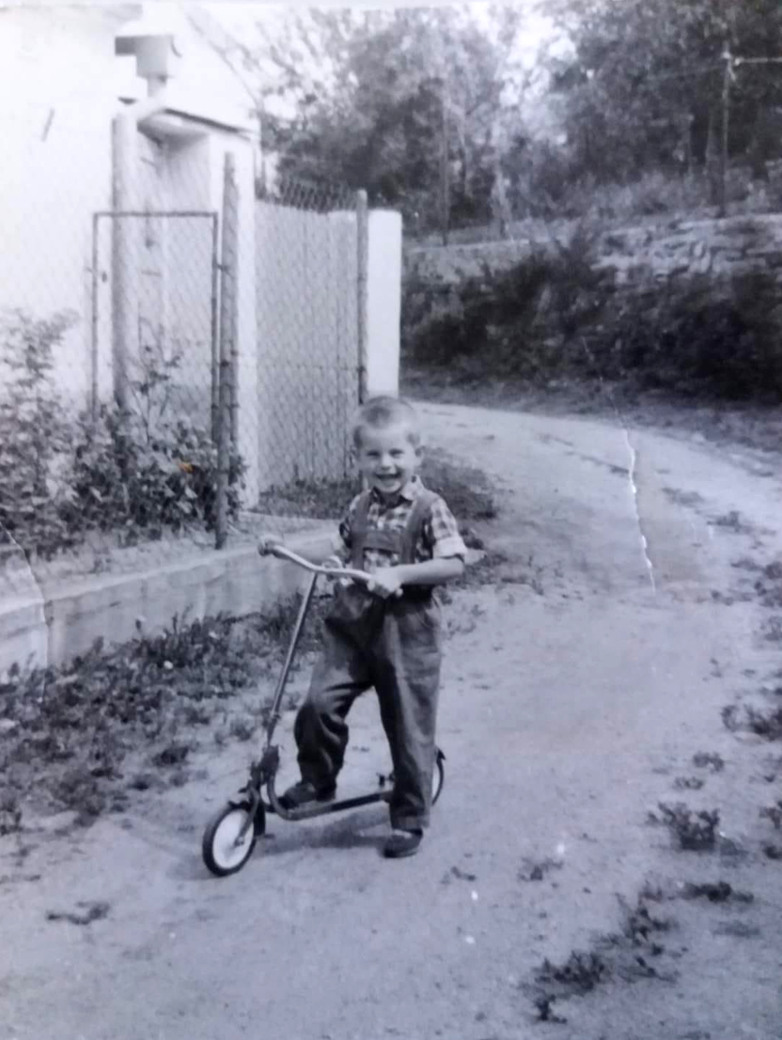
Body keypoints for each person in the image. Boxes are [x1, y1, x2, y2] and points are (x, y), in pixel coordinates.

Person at [263, 396, 467, 859]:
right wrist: (297, 552)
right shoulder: (359, 506)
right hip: (353, 626)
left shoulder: (430, 508)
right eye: (373, 454)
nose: (385, 464)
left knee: (408, 726)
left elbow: (454, 563)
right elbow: (338, 552)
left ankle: (409, 816)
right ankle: (318, 780)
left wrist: (401, 574)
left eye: (396, 453)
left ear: (417, 456)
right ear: (358, 459)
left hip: (407, 631)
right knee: (318, 705)